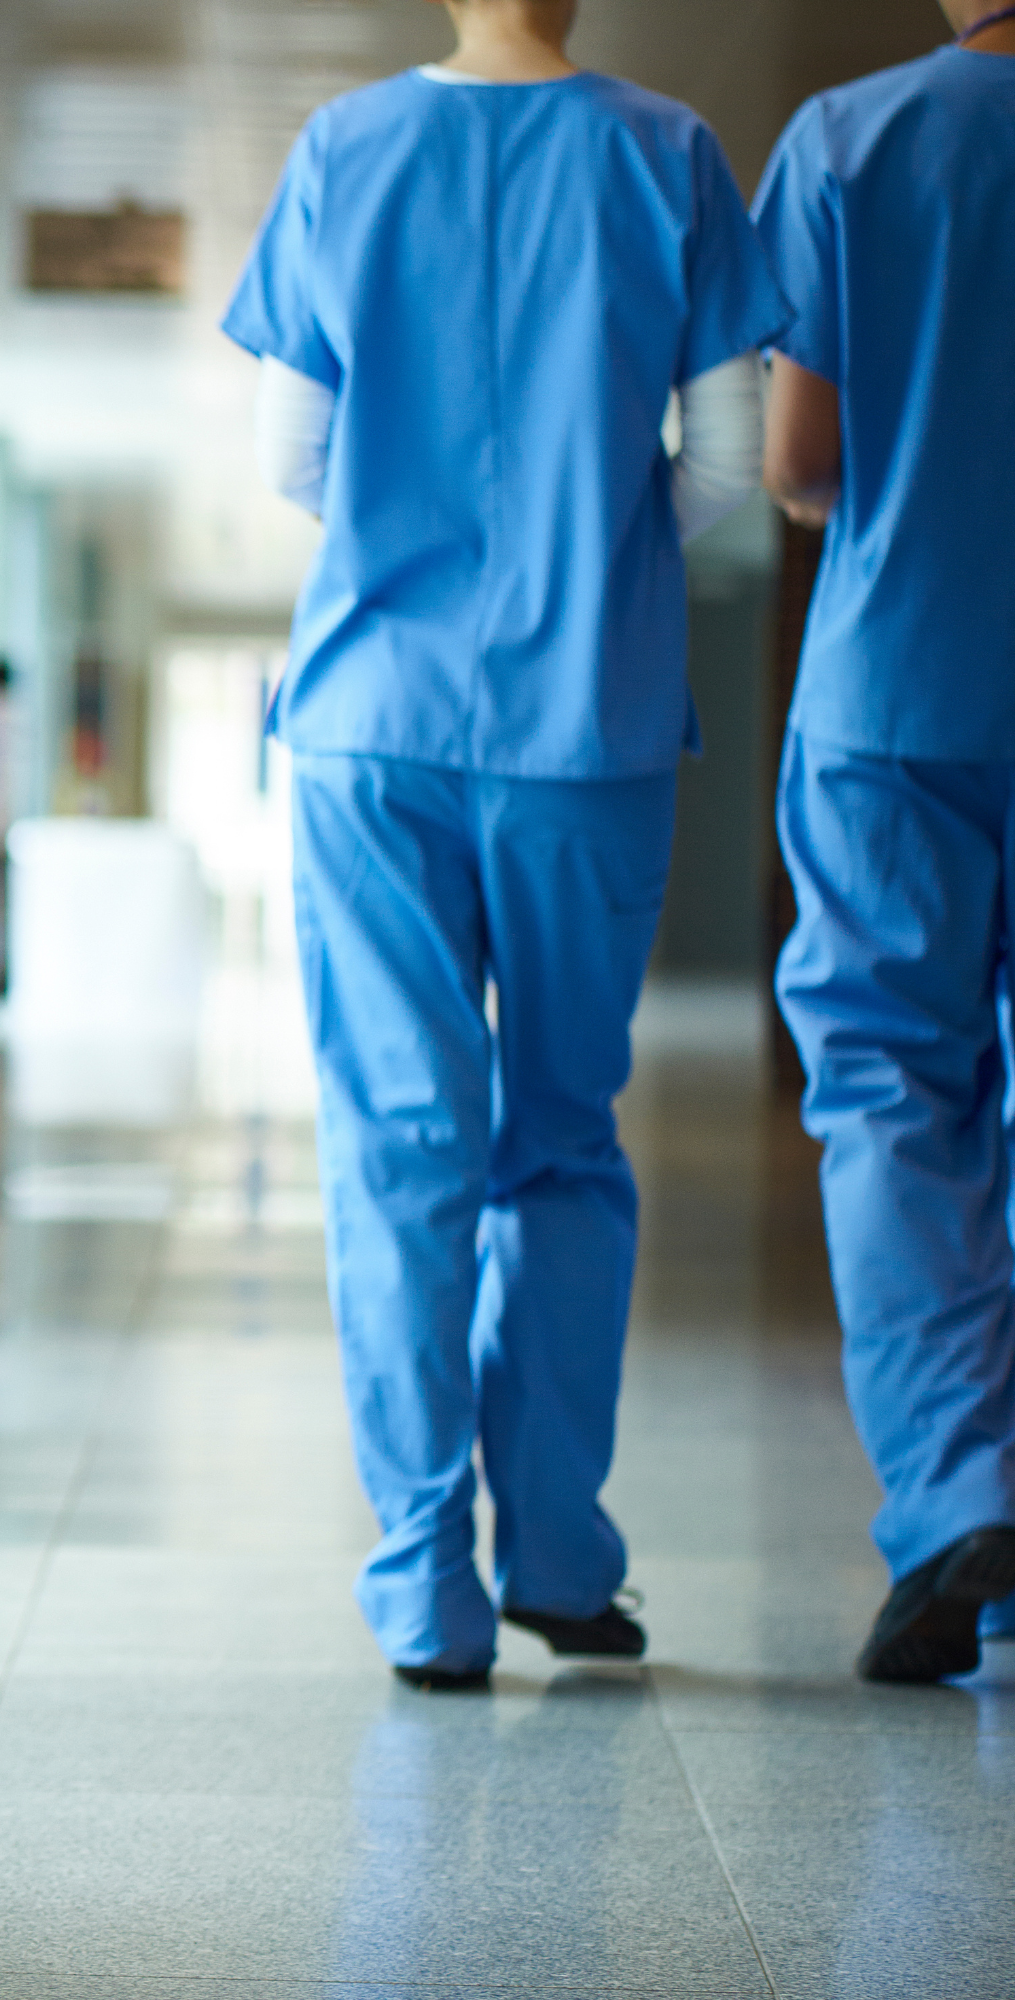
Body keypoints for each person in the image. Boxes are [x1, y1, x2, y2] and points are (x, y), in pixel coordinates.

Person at [222, 0, 789, 1689]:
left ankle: (422, 1583)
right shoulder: (666, 150)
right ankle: (555, 1551)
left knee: (403, 1151)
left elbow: (294, 455)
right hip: (585, 727)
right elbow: (735, 463)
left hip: (372, 726)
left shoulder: (345, 150)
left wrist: (426, 550)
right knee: (561, 1136)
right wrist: (593, 548)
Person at [755, 0, 1015, 1685]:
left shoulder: (849, 142)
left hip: (895, 692)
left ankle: (960, 1500)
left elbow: (796, 462)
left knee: (888, 1091)